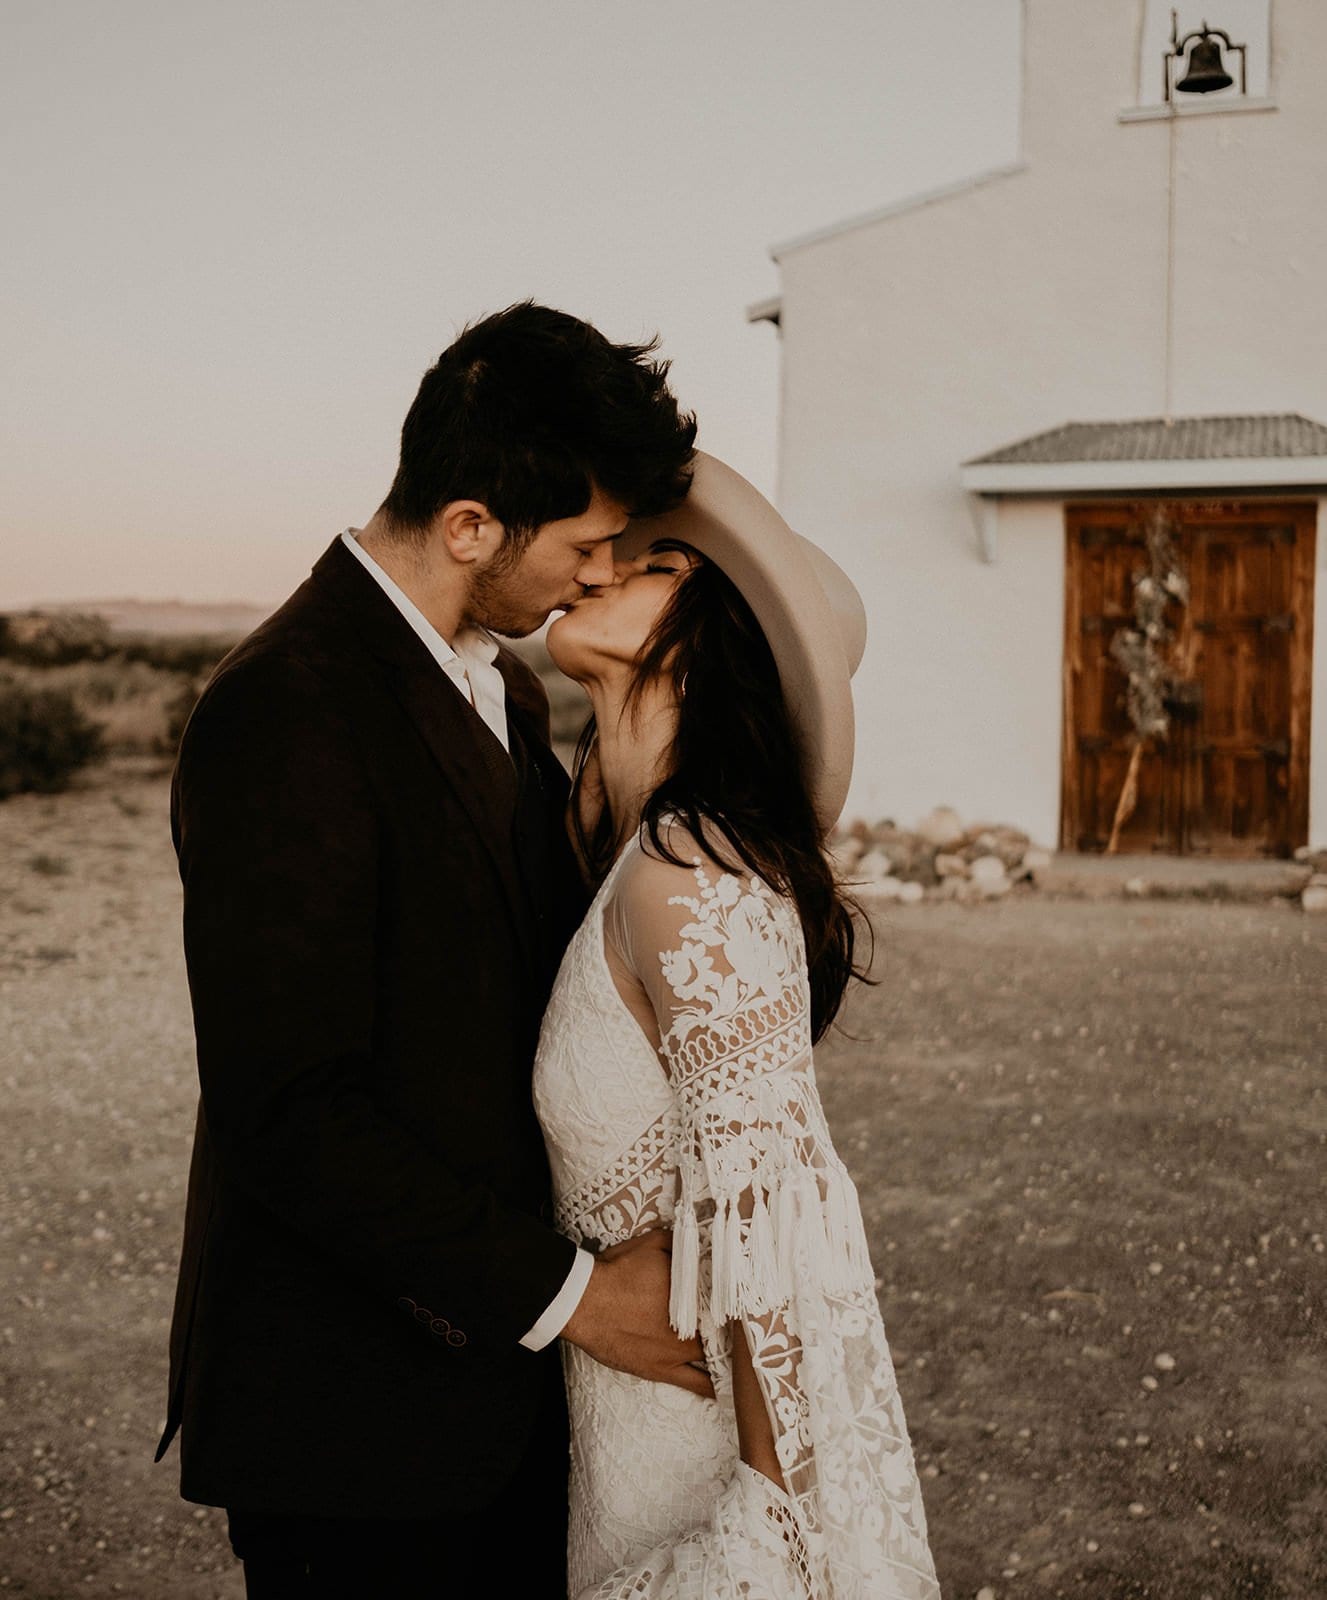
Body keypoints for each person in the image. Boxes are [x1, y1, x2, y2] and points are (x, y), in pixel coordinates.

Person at [158, 302, 705, 1596]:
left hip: (494, 1404)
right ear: (470, 525)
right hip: (355, 1418)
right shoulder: (281, 708)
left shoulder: (503, 681)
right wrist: (578, 1299)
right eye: (582, 542)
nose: (594, 572)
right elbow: (286, 1109)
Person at [534, 452, 940, 1598]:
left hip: (705, 1458)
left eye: (658, 561)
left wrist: (771, 1518)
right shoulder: (625, 860)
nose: (603, 565)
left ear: (718, 642)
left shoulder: (692, 867)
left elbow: (776, 1206)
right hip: (624, 1431)